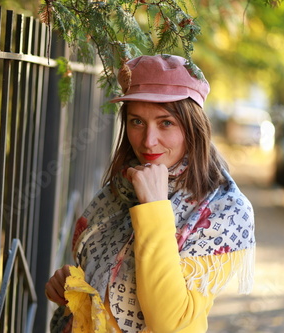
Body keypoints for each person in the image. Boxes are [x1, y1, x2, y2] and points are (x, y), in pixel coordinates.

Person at [45, 54, 255, 332]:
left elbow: (170, 323)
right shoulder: (123, 186)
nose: (148, 140)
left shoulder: (224, 210)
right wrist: (68, 283)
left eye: (166, 122)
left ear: (193, 127)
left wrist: (154, 208)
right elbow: (104, 283)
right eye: (137, 122)